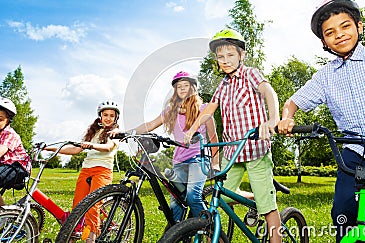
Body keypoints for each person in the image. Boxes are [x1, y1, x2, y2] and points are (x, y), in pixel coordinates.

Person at [277, 0, 365, 242]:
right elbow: (293, 101)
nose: (339, 35)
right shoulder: (325, 77)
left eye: (345, 26)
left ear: (359, 27)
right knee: (342, 212)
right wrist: (287, 118)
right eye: (330, 32)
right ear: (324, 41)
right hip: (355, 151)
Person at [184, 29, 282, 243]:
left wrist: (272, 119)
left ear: (241, 55)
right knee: (223, 196)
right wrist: (192, 129)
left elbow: (269, 92)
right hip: (232, 151)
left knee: (268, 208)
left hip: (256, 150)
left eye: (230, 55)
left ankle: (265, 209)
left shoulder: (251, 74)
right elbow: (209, 110)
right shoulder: (222, 86)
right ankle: (254, 199)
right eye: (221, 57)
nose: (225, 61)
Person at [125, 71, 219, 223]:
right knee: (176, 202)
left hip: (199, 159)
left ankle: (209, 229)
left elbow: (213, 137)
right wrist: (128, 132)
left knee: (192, 195)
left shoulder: (204, 109)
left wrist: (216, 163)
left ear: (193, 88)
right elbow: (150, 125)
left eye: (186, 85)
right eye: (178, 86)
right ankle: (177, 234)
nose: (182, 89)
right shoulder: (171, 111)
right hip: (179, 160)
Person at [46, 100, 120, 242]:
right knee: (78, 207)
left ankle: (91, 239)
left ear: (116, 118)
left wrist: (92, 146)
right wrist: (49, 148)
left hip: (102, 171)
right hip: (86, 170)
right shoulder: (92, 132)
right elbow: (74, 150)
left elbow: (108, 147)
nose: (108, 118)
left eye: (112, 115)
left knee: (93, 207)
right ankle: (71, 236)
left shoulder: (114, 133)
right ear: (100, 116)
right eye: (105, 115)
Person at [0, 97, 31, 206]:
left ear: (8, 120)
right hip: (5, 167)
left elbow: (1, 151)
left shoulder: (10, 134)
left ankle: (2, 216)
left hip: (19, 169)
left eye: (0, 119)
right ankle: (3, 215)